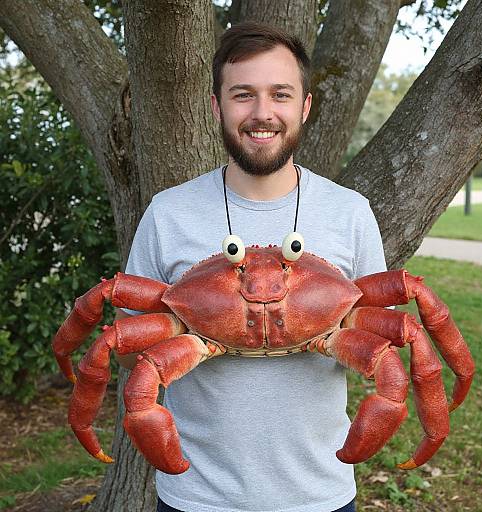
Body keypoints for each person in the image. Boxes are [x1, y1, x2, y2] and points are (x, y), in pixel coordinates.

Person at [116, 22, 387, 512]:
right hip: (195, 498)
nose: (262, 113)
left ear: (305, 106)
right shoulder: (168, 212)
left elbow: (383, 337)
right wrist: (197, 322)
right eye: (243, 95)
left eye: (280, 94)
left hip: (321, 494)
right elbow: (123, 341)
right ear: (218, 107)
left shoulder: (350, 212)